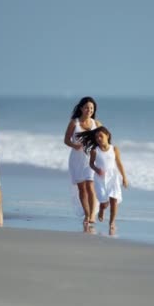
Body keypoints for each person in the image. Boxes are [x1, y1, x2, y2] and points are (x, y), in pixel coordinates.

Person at [76, 126, 128, 236]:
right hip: (100, 179)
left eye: (101, 136)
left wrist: (124, 177)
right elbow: (91, 164)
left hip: (113, 177)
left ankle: (112, 222)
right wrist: (96, 169)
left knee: (114, 200)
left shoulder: (114, 149)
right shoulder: (95, 151)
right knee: (104, 202)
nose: (99, 138)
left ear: (107, 136)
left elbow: (119, 163)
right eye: (97, 137)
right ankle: (102, 209)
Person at [63, 97, 102, 231]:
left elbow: (104, 139)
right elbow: (66, 140)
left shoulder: (96, 123)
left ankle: (92, 214)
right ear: (81, 108)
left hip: (91, 159)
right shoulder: (74, 123)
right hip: (76, 159)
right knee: (82, 188)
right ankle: (86, 214)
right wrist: (75, 145)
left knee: (90, 185)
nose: (89, 110)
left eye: (92, 108)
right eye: (87, 107)